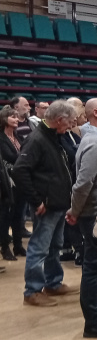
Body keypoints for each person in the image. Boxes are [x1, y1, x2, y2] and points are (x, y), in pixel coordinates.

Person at [12, 100, 79, 307]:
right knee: (40, 248)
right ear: (59, 120)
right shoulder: (37, 139)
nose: (71, 126)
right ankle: (32, 291)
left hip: (58, 203)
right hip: (46, 205)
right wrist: (36, 200)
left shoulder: (53, 136)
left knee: (54, 246)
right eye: (69, 122)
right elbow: (19, 170)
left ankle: (53, 282)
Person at [65, 98, 97, 337]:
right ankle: (93, 321)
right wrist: (75, 212)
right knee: (93, 268)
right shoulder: (96, 143)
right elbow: (83, 183)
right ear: (96, 113)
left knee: (96, 266)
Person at [0, 108, 26, 260]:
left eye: (17, 117)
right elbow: (10, 158)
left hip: (20, 181)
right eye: (12, 117)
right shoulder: (1, 138)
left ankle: (18, 245)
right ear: (4, 119)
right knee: (6, 216)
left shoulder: (16, 136)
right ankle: (4, 247)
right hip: (6, 182)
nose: (17, 119)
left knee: (19, 216)